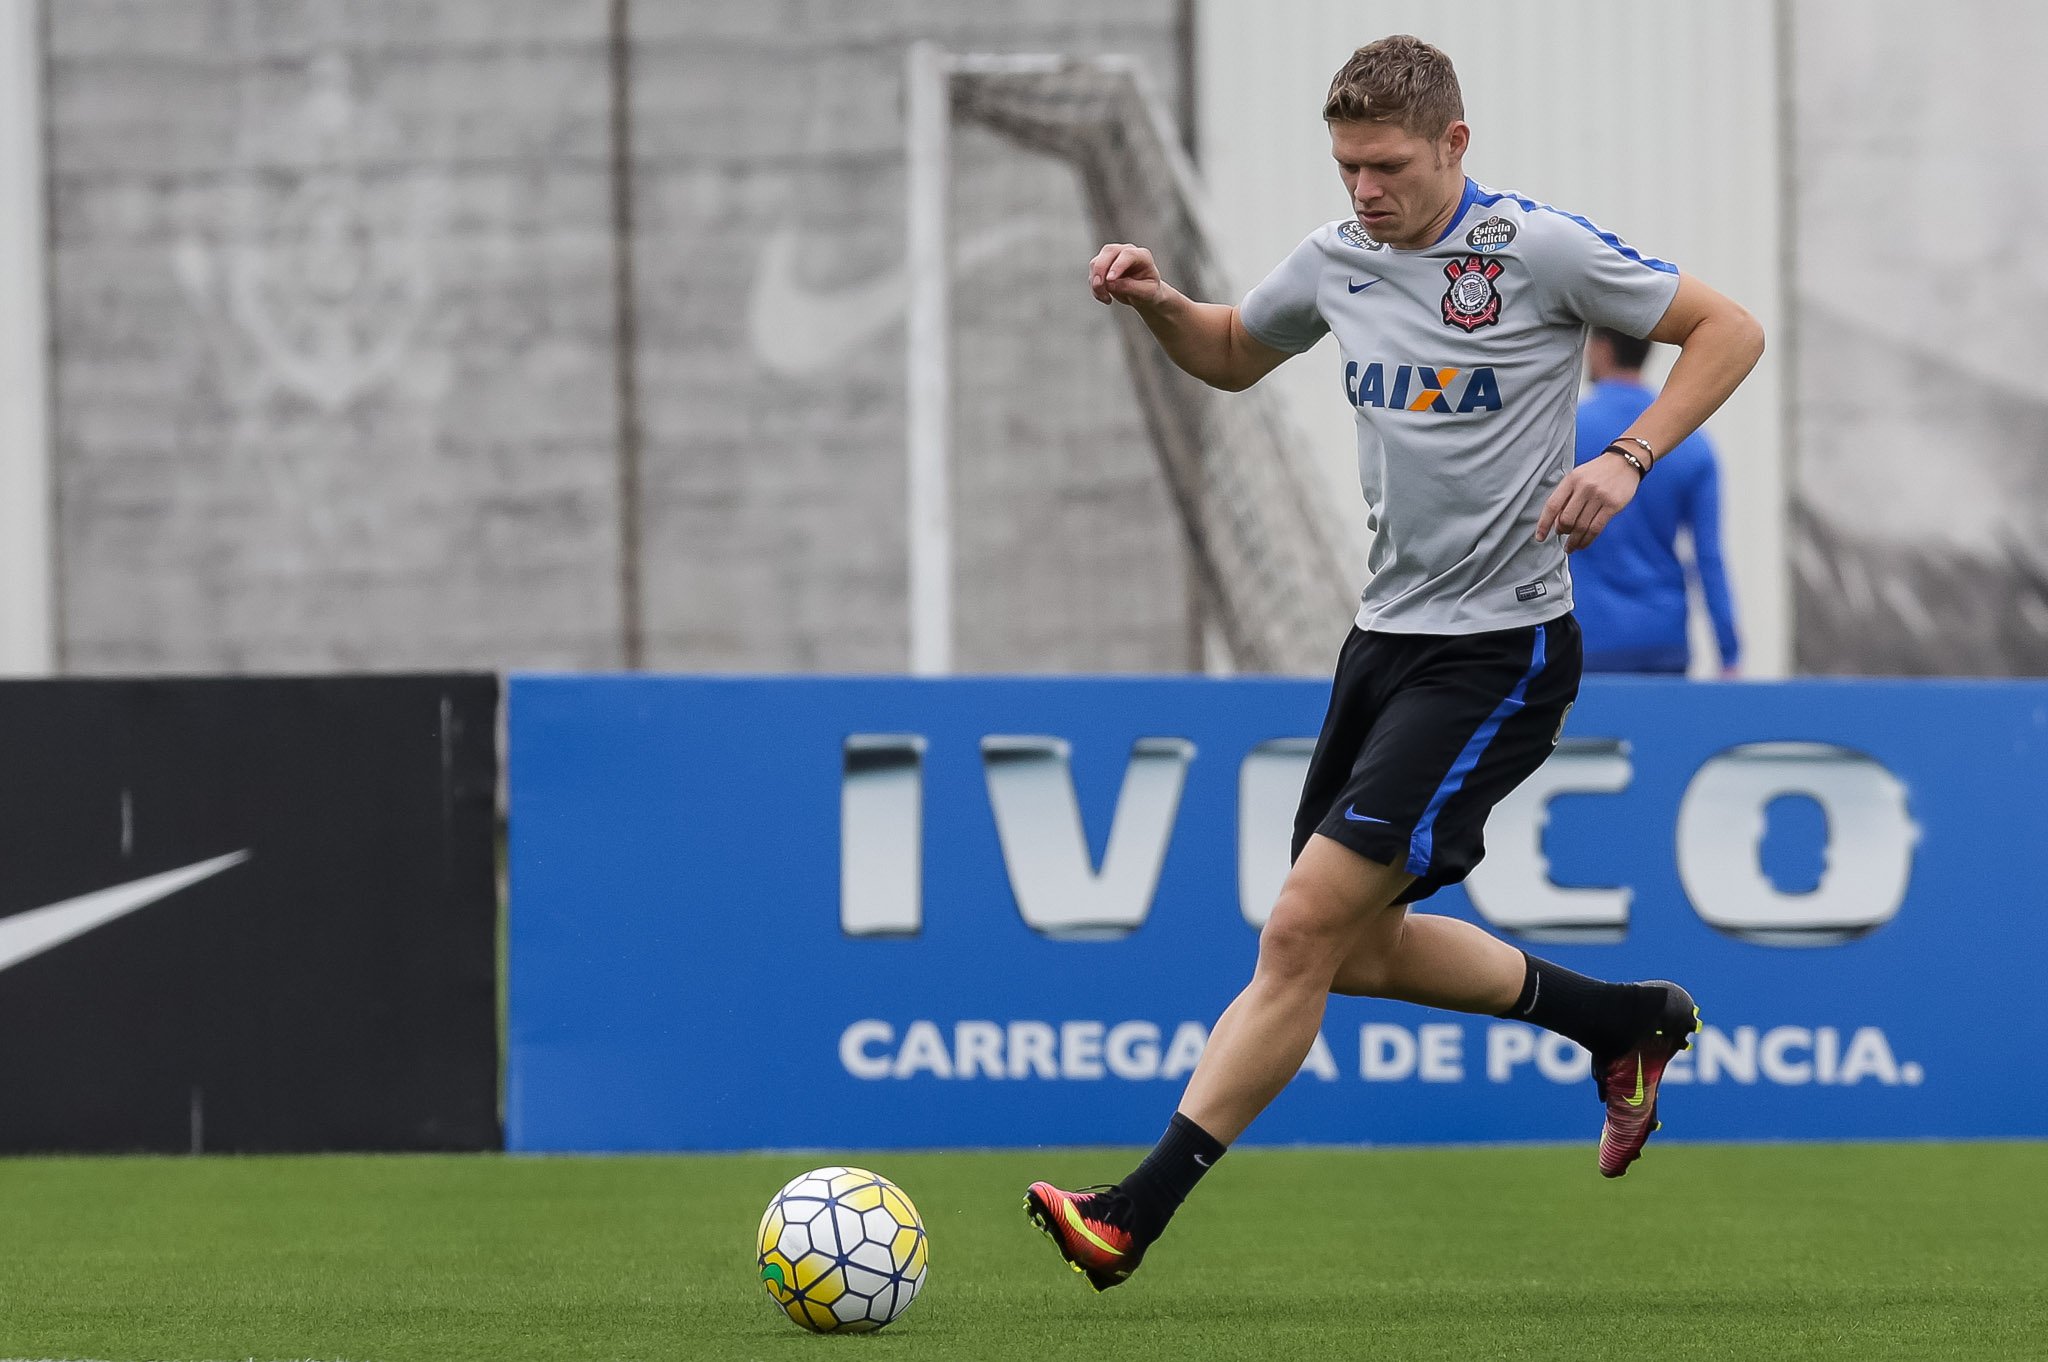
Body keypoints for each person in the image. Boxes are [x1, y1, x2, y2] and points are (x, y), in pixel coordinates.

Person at [1022, 34, 1764, 1292]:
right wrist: (1156, 303)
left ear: (1452, 146)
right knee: (1353, 948)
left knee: (1301, 926)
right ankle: (1620, 1020)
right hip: (1381, 644)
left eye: (1384, 164)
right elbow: (1227, 354)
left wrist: (1625, 456)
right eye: (1346, 166)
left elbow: (1726, 330)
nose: (1363, 189)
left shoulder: (1532, 249)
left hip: (1499, 653)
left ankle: (1130, 1214)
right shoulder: (1337, 262)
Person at [1572, 328, 1742, 675]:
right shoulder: (1690, 441)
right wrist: (1729, 654)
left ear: (1602, 350)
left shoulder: (1567, 431)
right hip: (1661, 640)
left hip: (1585, 637)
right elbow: (1708, 556)